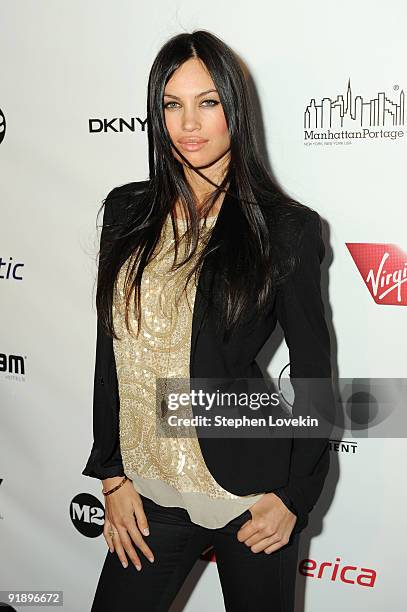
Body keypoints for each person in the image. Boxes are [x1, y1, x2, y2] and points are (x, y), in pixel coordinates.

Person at [82, 29, 335, 612]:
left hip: (251, 491)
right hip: (149, 492)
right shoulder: (126, 211)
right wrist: (113, 476)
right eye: (172, 105)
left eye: (207, 102)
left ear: (233, 110)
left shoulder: (285, 228)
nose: (188, 124)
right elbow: (109, 351)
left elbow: (315, 372)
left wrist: (294, 497)